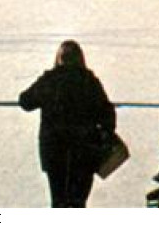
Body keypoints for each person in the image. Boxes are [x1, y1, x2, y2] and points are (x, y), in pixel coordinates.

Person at [19, 40, 117, 208]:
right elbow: (107, 114)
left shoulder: (50, 80)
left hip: (54, 151)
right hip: (85, 152)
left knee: (58, 201)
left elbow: (25, 101)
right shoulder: (90, 81)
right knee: (78, 203)